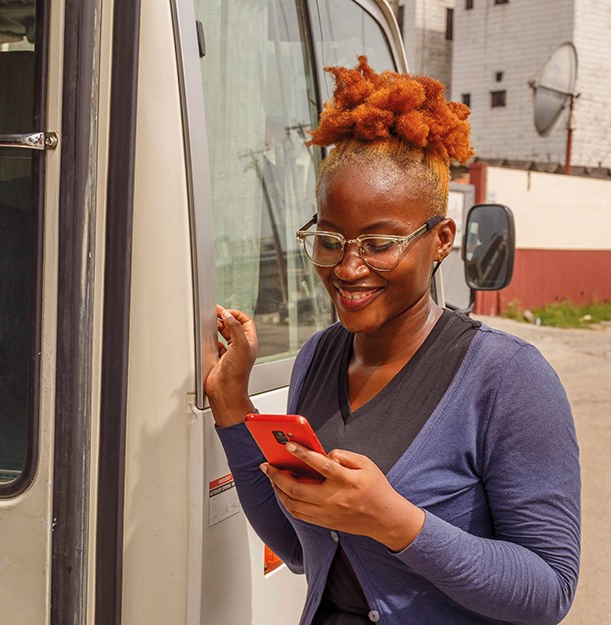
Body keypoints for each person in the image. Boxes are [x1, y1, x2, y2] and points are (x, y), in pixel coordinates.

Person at [205, 56, 580, 625]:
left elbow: (550, 590)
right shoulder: (319, 358)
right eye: (330, 239)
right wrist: (233, 405)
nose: (348, 269)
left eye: (379, 244)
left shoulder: (508, 379)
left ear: (442, 239)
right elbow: (298, 549)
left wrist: (395, 521)